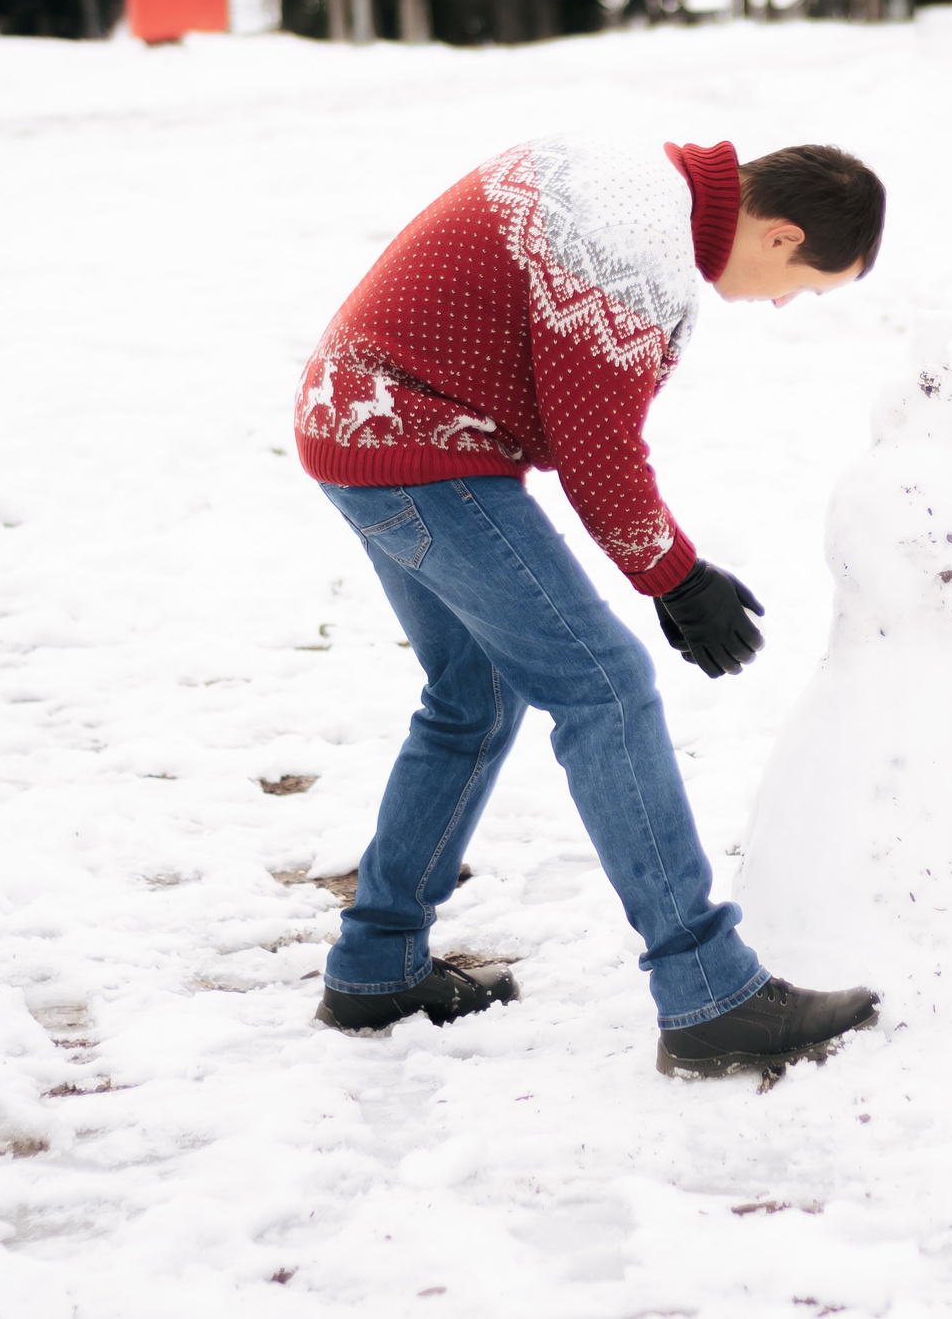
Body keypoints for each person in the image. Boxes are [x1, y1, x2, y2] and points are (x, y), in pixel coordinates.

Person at [291, 135, 887, 1076]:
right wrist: (677, 578)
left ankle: (376, 963)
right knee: (605, 685)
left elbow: (583, 424)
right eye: (806, 286)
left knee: (474, 693)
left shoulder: (642, 186)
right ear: (781, 235)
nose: (783, 303)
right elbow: (596, 450)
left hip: (360, 420)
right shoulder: (635, 240)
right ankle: (708, 990)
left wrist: (668, 574)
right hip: (412, 441)